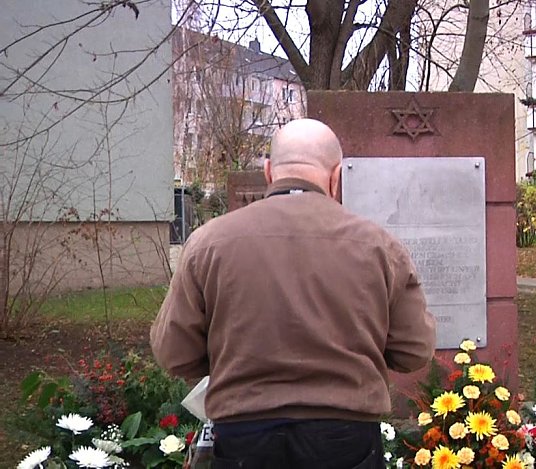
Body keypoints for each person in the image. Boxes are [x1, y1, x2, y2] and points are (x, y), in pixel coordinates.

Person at [150, 119, 436, 468]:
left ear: (269, 171)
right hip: (347, 440)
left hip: (245, 438)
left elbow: (173, 353)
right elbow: (414, 350)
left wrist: (230, 356)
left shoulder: (209, 242)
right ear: (336, 176)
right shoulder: (379, 247)